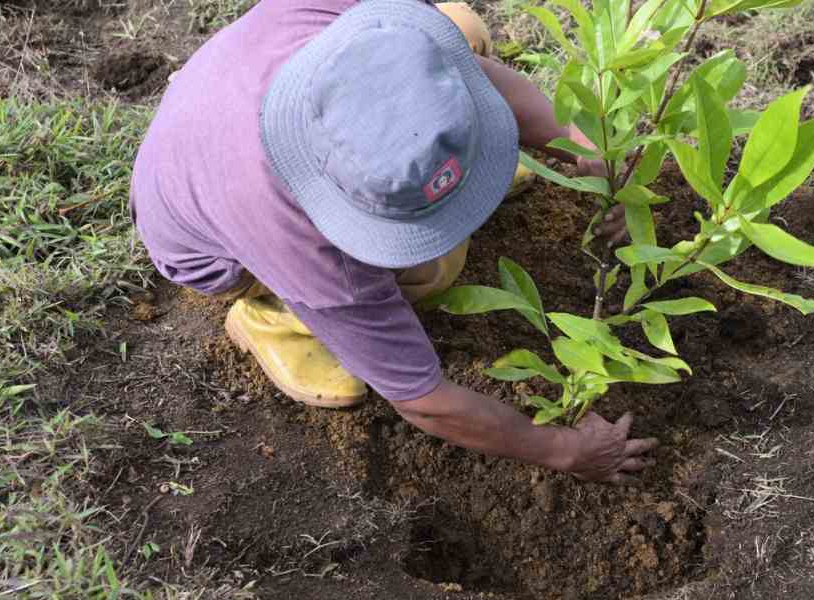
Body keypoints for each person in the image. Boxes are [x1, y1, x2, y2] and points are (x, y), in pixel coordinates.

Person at [130, 0, 659, 484]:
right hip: (204, 241)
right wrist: (563, 449)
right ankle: (279, 314)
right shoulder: (306, 244)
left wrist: (586, 145)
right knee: (433, 271)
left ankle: (441, 173)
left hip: (223, 102)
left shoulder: (371, 17)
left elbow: (473, 72)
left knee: (460, 29)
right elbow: (426, 402)